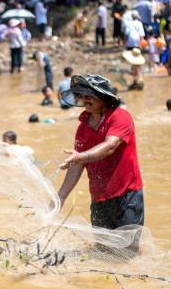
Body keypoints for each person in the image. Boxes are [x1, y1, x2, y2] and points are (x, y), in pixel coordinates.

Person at [57, 74, 144, 252]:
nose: (84, 99)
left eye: (90, 95)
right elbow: (77, 164)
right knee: (103, 250)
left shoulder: (120, 117)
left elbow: (110, 146)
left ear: (103, 97)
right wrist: (60, 198)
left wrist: (81, 157)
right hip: (99, 199)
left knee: (128, 253)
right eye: (83, 95)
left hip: (127, 197)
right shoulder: (83, 126)